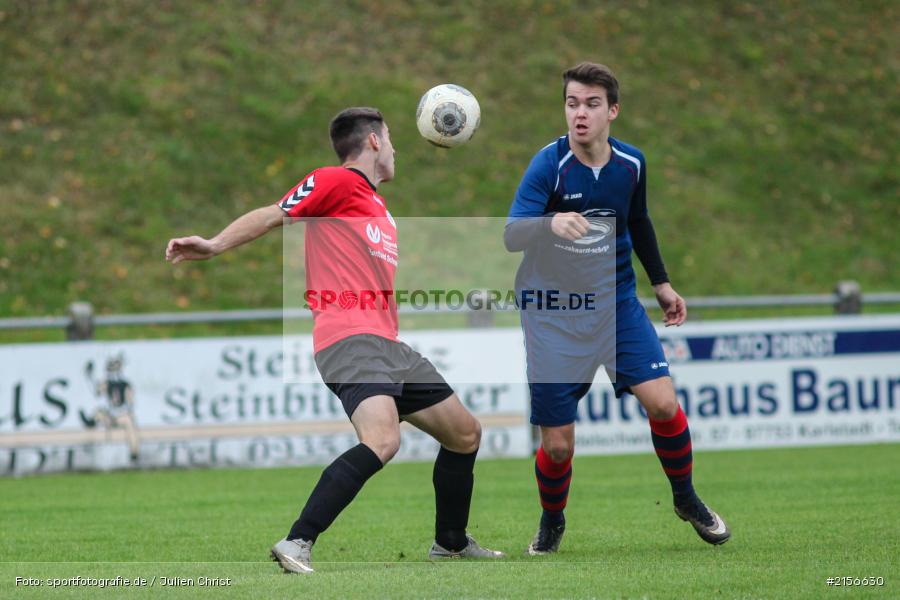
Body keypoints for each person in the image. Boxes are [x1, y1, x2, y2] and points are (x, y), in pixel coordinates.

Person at [166, 107, 504, 573]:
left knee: (465, 433)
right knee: (383, 440)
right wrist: (215, 244)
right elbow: (274, 213)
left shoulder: (374, 203)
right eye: (390, 138)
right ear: (372, 143)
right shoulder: (336, 180)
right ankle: (297, 541)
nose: (395, 147)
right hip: (350, 338)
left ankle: (450, 542)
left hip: (386, 344)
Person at [505, 63, 730, 555]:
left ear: (612, 110)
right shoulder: (549, 164)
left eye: (590, 104)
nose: (579, 114)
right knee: (558, 445)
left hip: (616, 305)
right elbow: (511, 233)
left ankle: (687, 499)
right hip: (553, 315)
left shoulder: (632, 163)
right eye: (571, 104)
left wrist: (663, 284)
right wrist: (550, 223)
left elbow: (639, 220)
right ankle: (551, 520)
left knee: (665, 404)